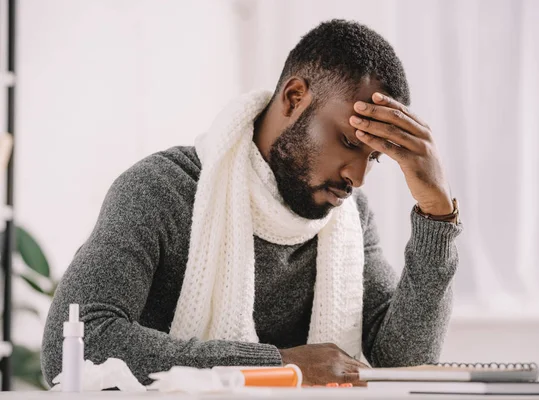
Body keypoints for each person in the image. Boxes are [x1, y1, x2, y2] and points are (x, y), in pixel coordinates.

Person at [41, 19, 462, 387]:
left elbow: (405, 362)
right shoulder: (161, 190)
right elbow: (72, 347)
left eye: (374, 157)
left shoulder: (349, 220)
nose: (357, 176)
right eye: (350, 142)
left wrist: (437, 213)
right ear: (294, 98)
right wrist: (280, 365)